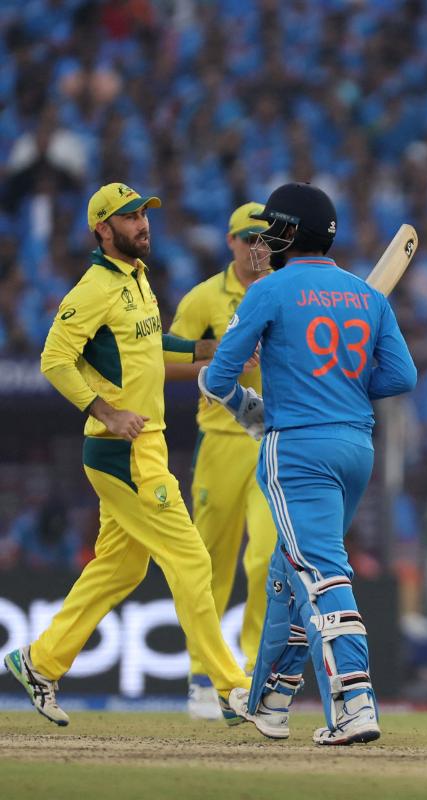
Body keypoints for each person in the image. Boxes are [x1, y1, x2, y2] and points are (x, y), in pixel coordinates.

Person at [4, 182, 252, 725]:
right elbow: (53, 359)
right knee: (191, 559)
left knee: (120, 569)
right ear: (102, 229)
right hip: (126, 449)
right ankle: (233, 689)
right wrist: (107, 413)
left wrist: (208, 348)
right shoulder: (92, 288)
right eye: (129, 217)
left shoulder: (138, 278)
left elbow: (150, 343)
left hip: (146, 446)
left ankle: (39, 661)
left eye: (144, 214)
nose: (143, 224)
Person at [201, 182, 416, 745]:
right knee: (286, 571)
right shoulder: (367, 295)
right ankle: (270, 701)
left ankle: (355, 701)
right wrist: (340, 384)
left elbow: (215, 378)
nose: (264, 239)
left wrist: (251, 407)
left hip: (296, 448)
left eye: (273, 227)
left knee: (318, 572)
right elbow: (401, 377)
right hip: (356, 449)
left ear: (291, 232)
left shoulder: (269, 291)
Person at [163, 202, 278, 720]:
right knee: (208, 562)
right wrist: (217, 363)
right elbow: (163, 361)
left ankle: (251, 671)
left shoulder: (283, 289)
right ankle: (203, 674)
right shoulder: (205, 298)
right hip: (222, 441)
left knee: (265, 557)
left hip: (272, 438)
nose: (259, 247)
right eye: (250, 237)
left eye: (267, 239)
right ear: (230, 241)